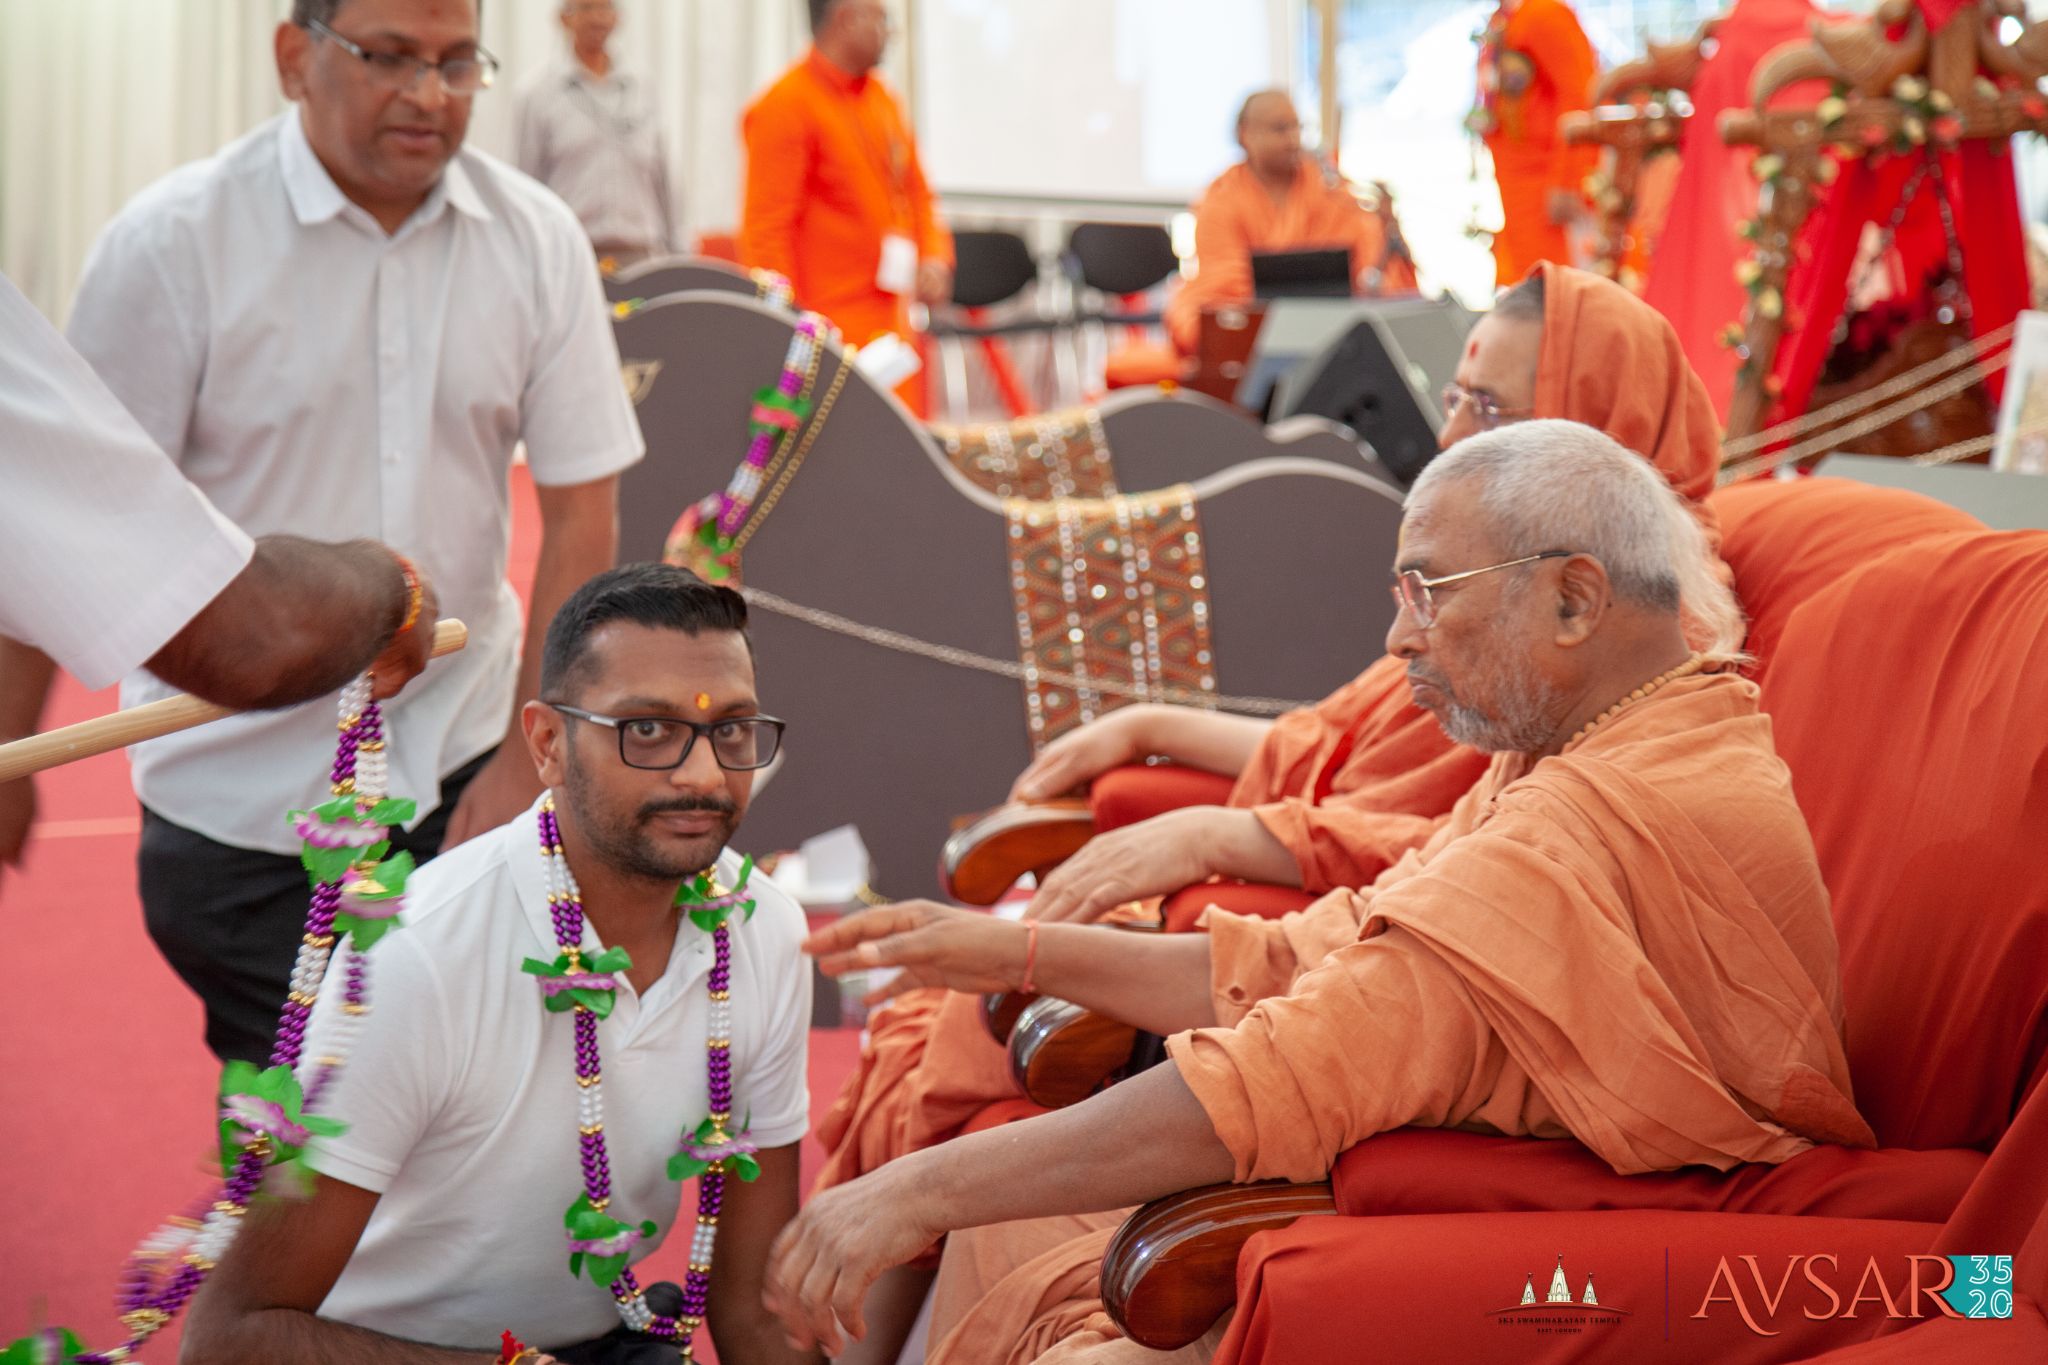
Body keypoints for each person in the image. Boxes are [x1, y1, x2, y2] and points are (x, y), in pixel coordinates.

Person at [766, 421, 1872, 1363]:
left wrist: (911, 1192)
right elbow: (1307, 956)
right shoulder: (1586, 749)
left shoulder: (1591, 814)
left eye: (1425, 593)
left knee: (1020, 1250)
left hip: (1561, 1249)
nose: (1396, 639)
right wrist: (1013, 955)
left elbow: (1273, 1077)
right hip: (1469, 1179)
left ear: (1575, 600)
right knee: (1011, 1224)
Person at [18, 0, 644, 1067]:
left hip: (463, 768)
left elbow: (584, 507)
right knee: (313, 1134)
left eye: (457, 64)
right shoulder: (172, 245)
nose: (428, 95)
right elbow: (57, 522)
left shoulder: (536, 239)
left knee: (469, 1114)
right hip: (240, 795)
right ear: (292, 56)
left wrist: (522, 761)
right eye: (390, 56)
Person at [180, 564, 818, 1365]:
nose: (701, 774)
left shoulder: (765, 933)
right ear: (548, 743)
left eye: (730, 728)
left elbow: (751, 1311)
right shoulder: (416, 957)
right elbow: (232, 1336)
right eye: (646, 730)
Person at [0, 272, 440, 894]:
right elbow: (256, 638)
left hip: (449, 758)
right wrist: (394, 587)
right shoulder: (161, 246)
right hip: (222, 819)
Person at [738, 0, 953, 409]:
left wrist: (935, 258)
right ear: (846, 18)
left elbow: (918, 193)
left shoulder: (882, 100)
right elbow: (765, 234)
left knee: (905, 457)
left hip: (894, 328)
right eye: (881, 18)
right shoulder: (785, 106)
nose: (889, 31)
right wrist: (787, 335)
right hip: (828, 335)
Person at [513, 0, 679, 269]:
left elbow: (664, 175)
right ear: (564, 18)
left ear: (618, 18)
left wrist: (678, 251)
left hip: (640, 253)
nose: (598, 19)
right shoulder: (537, 92)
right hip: (571, 253)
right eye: (587, 8)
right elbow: (526, 181)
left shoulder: (642, 86)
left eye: (606, 9)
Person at [1473, 0, 1598, 287]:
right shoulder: (1505, 19)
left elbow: (1581, 98)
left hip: (1547, 194)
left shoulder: (1545, 14)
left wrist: (1568, 181)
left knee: (1556, 294)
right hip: (1518, 195)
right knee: (1528, 291)